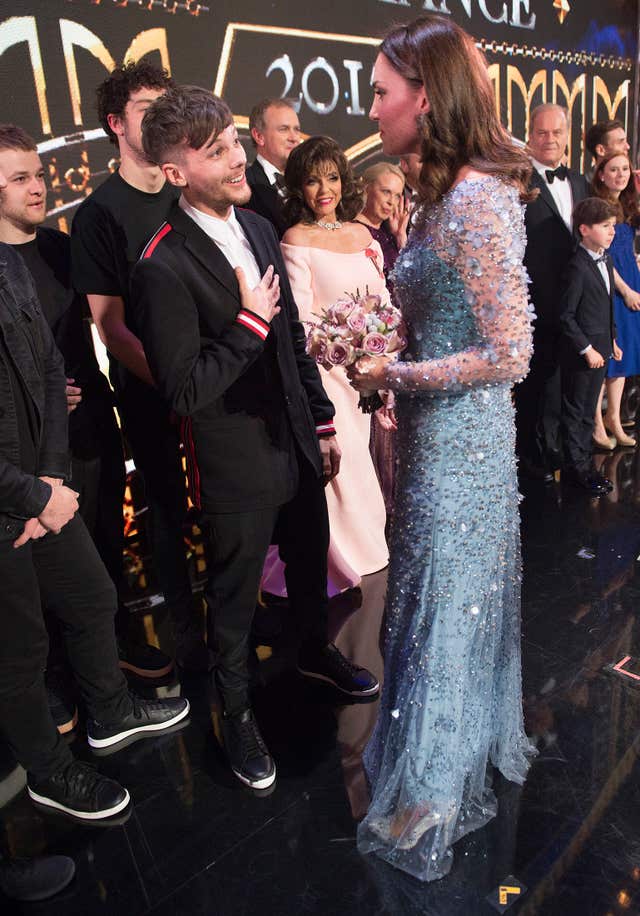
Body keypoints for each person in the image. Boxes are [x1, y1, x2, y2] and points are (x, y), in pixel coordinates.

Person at [131, 87, 379, 792]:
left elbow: (294, 339)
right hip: (233, 463)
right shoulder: (159, 264)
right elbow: (182, 389)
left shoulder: (261, 229)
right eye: (215, 153)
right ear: (176, 172)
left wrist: (322, 422)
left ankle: (311, 653)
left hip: (297, 441)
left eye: (235, 142)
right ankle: (232, 714)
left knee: (307, 566)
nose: (238, 159)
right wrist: (247, 325)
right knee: (235, 607)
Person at [348, 14, 535, 881]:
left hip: (462, 445)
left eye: (382, 93)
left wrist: (396, 373)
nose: (372, 108)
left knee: (442, 605)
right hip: (433, 437)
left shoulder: (475, 200)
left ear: (424, 98)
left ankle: (430, 791)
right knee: (437, 597)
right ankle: (440, 757)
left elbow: (510, 353)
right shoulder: (440, 193)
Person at [0, 239, 189, 821]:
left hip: (44, 492)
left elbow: (52, 371)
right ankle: (48, 772)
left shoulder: (7, 262)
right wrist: (33, 496)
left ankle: (112, 715)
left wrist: (52, 481)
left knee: (93, 596)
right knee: (19, 652)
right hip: (15, 504)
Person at [70, 61, 207, 674]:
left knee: (229, 506)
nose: (159, 117)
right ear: (115, 123)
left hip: (218, 381)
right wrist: (176, 379)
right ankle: (187, 640)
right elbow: (110, 324)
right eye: (146, 107)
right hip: (154, 389)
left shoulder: (187, 190)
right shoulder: (100, 212)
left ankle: (238, 617)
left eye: (165, 105)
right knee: (169, 514)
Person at [0, 124, 129, 731]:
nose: (37, 187)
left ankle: (106, 681)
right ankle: (56, 685)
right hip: (23, 456)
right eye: (20, 178)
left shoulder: (60, 247)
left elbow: (73, 342)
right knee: (36, 578)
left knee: (99, 553)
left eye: (39, 174)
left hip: (85, 430)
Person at [277, 135, 389, 590]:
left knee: (365, 456)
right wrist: (337, 351)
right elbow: (299, 321)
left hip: (368, 371)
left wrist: (378, 354)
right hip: (326, 375)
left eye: (331, 178)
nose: (324, 190)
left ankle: (372, 548)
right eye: (311, 181)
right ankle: (343, 556)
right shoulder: (296, 239)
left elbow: (382, 303)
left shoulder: (363, 235)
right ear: (297, 189)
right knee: (344, 465)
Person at [515, 104, 590, 481]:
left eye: (556, 133)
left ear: (567, 135)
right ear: (529, 135)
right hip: (534, 302)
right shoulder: (517, 182)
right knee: (536, 387)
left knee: (570, 384)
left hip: (573, 304)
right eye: (542, 132)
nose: (549, 139)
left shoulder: (580, 182)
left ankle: (564, 455)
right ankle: (533, 461)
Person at [559, 197, 621, 494]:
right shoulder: (577, 266)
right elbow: (566, 315)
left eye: (614, 226)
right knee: (577, 412)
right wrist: (587, 349)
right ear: (584, 229)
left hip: (602, 348)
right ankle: (576, 471)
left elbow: (607, 305)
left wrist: (612, 340)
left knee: (587, 412)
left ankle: (584, 468)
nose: (612, 232)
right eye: (605, 226)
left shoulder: (605, 259)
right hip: (583, 354)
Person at [591, 153, 640, 448]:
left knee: (625, 357)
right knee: (609, 356)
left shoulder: (626, 204)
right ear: (601, 175)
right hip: (612, 287)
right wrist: (625, 291)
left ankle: (615, 420)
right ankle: (597, 424)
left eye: (624, 170)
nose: (620, 175)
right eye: (614, 170)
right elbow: (603, 256)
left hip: (630, 282)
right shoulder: (598, 207)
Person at [245, 98, 301, 237]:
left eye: (297, 129)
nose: (294, 138)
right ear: (259, 136)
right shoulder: (244, 186)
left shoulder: (309, 182)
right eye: (284, 129)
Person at [355, 162, 408, 286]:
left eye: (397, 196)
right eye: (386, 192)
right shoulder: (352, 231)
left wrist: (400, 237)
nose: (391, 202)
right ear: (366, 188)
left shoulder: (390, 234)